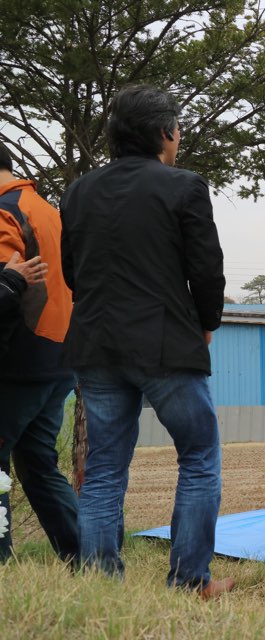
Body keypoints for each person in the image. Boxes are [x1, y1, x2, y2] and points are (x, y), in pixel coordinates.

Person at [59, 85, 231, 597]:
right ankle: (189, 582)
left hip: (95, 344)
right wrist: (206, 323)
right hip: (165, 346)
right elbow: (207, 270)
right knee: (198, 456)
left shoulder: (78, 192)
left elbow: (72, 274)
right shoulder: (185, 187)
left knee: (104, 469)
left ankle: (99, 587)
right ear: (163, 133)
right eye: (177, 129)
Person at [0, 143, 79, 565]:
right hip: (60, 355)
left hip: (18, 359)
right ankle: (87, 557)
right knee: (37, 462)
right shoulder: (45, 209)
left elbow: (7, 284)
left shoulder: (5, 212)